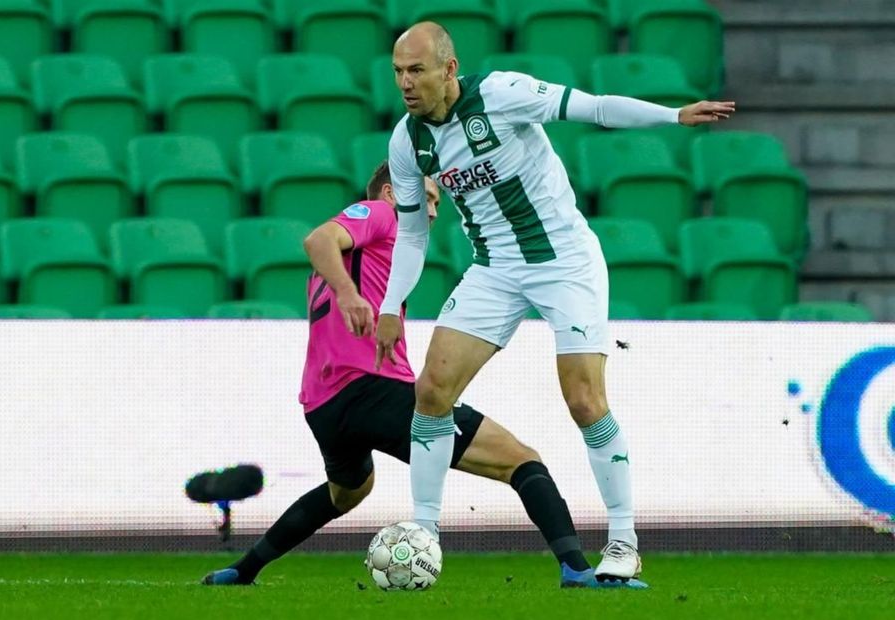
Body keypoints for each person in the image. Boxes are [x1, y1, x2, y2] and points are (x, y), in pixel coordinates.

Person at [375, 22, 735, 583]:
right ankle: (425, 534)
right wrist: (391, 306)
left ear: (449, 69)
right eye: (398, 72)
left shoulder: (500, 94)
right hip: (494, 268)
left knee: (585, 401)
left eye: (416, 70)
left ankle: (623, 542)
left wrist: (672, 116)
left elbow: (591, 109)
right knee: (431, 391)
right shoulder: (407, 140)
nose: (405, 83)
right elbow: (414, 234)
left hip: (564, 261)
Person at [202, 162, 646, 589]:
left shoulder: (376, 253)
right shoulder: (379, 214)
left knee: (347, 492)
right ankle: (576, 568)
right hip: (373, 389)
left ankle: (244, 569)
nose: (433, 211)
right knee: (521, 459)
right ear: (395, 193)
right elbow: (317, 240)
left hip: (323, 404)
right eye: (428, 198)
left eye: (436, 202)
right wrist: (350, 294)